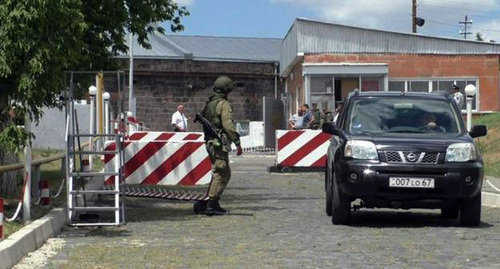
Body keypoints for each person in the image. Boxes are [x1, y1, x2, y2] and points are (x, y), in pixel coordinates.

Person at [201, 76, 243, 216]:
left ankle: (213, 202)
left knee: (222, 172)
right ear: (227, 90)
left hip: (210, 142)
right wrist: (237, 142)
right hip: (218, 144)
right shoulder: (223, 104)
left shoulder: (209, 104)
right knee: (221, 173)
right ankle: (211, 205)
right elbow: (227, 125)